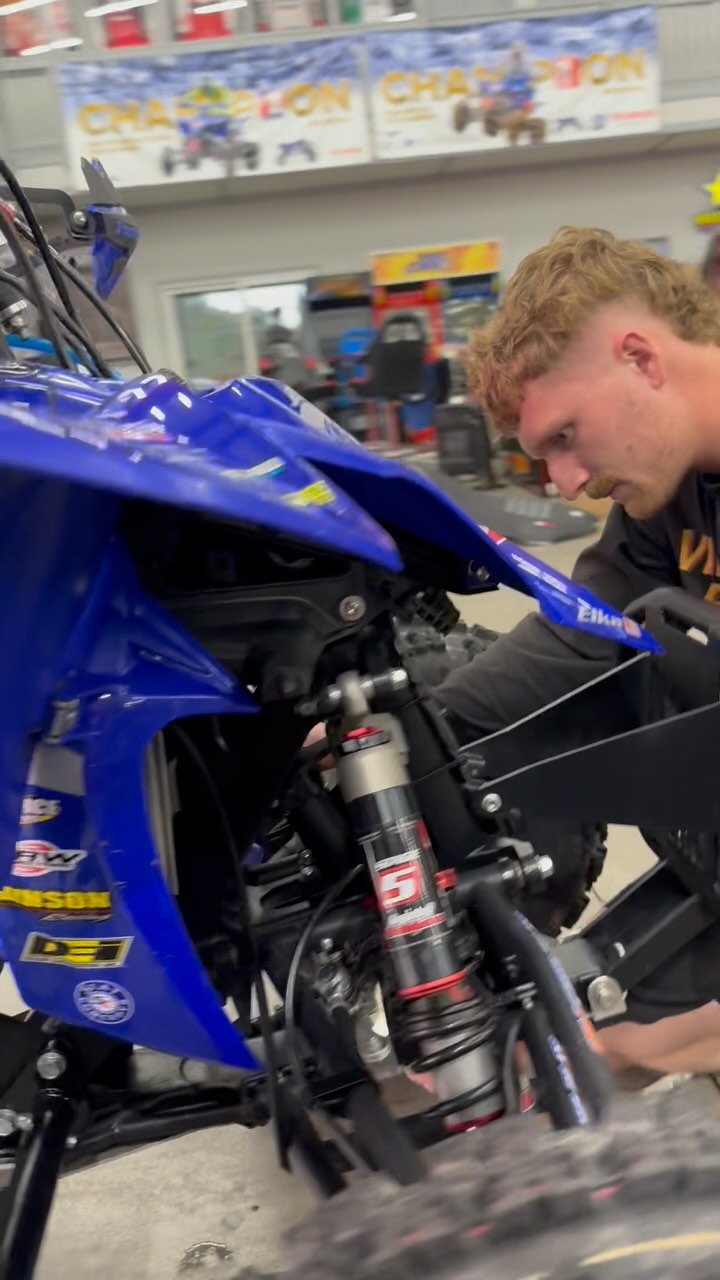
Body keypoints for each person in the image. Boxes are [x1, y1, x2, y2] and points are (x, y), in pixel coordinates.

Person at [436, 226, 720, 1082]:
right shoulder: (669, 496)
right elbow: (585, 627)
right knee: (586, 1034)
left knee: (618, 1050)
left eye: (565, 437)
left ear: (640, 359)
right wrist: (422, 728)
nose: (565, 483)